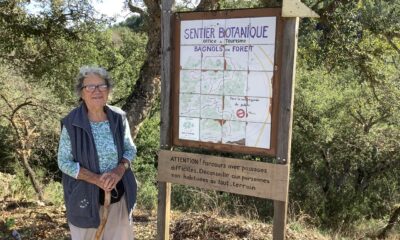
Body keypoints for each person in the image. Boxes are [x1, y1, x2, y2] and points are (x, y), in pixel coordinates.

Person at [57, 66, 137, 240]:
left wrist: (118, 171)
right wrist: (96, 179)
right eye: (90, 87)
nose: (97, 91)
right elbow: (64, 162)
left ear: (108, 90)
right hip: (84, 200)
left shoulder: (118, 117)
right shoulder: (71, 123)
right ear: (82, 93)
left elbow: (130, 149)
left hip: (119, 197)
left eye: (102, 86)